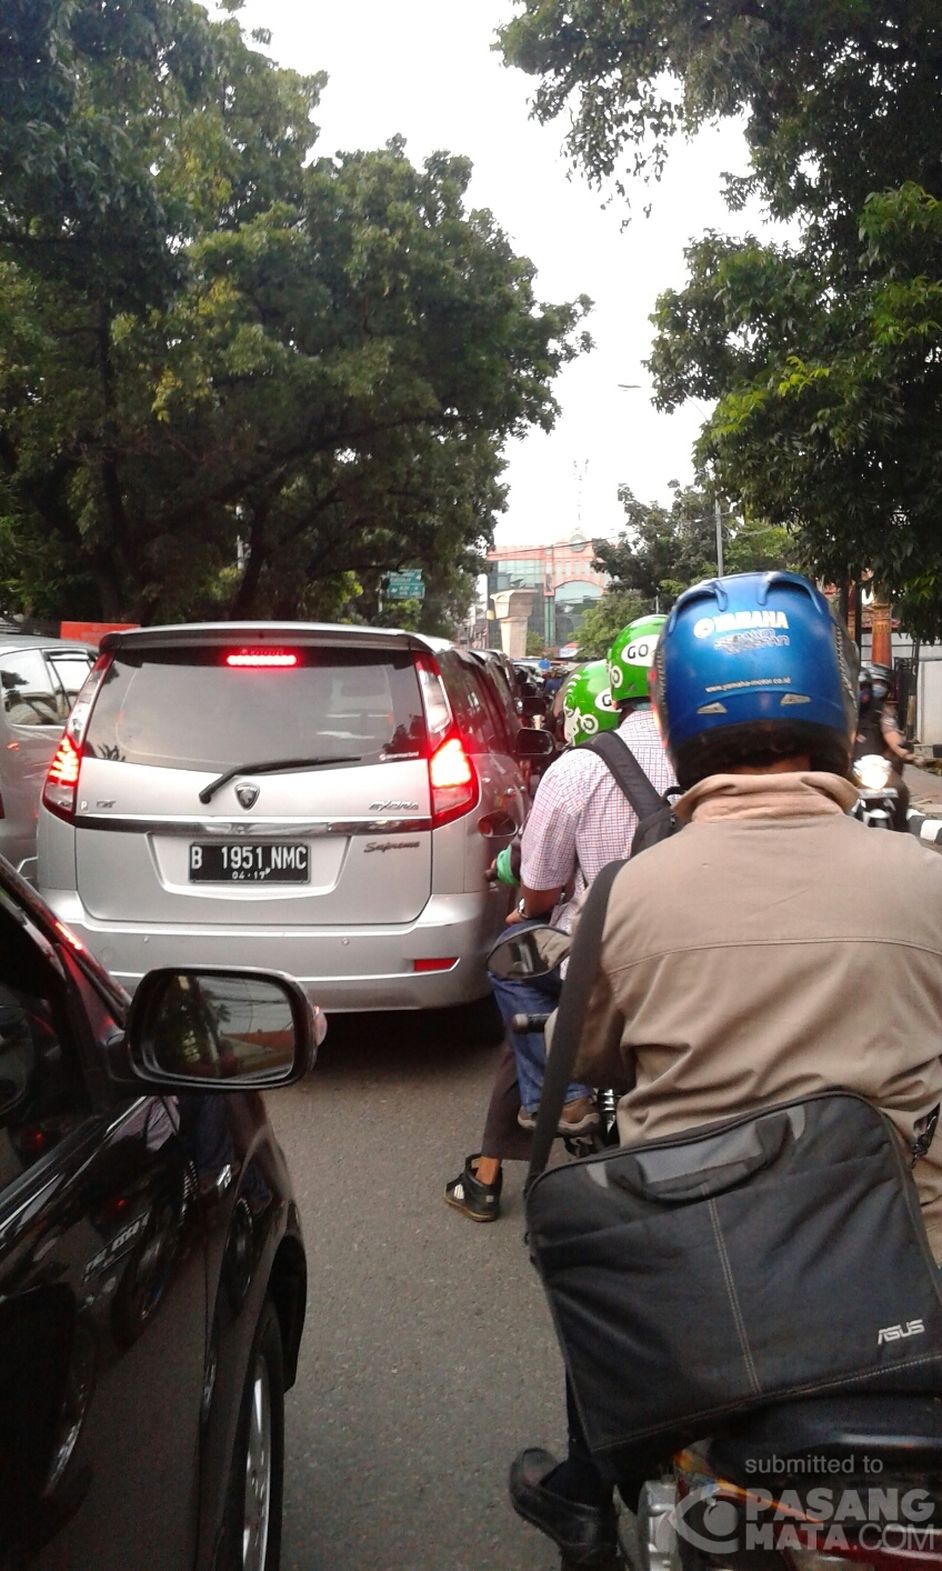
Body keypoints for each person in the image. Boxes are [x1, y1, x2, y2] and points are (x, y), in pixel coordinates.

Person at [508, 571, 942, 1567]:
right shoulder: (926, 879)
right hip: (910, 1289)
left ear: (680, 722)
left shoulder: (630, 894)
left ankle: (587, 1496)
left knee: (601, 1264)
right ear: (835, 705)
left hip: (703, 1299)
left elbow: (583, 1055)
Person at [444, 615, 672, 1223]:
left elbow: (541, 889)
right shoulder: (718, 763)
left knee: (517, 960)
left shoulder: (575, 770)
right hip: (699, 957)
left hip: (594, 961)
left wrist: (528, 908)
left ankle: (561, 1101)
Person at [855, 662, 914, 828]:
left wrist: (904, 752)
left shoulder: (882, 710)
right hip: (847, 766)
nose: (863, 692)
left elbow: (890, 732)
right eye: (859, 688)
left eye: (865, 687)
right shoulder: (843, 710)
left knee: (901, 790)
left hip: (876, 769)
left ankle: (902, 830)